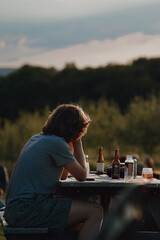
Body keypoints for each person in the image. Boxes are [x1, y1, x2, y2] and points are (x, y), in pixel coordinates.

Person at [4, 104, 103, 240]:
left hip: (16, 209)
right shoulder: (56, 143)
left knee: (76, 213)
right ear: (76, 130)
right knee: (96, 211)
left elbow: (62, 176)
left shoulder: (37, 138)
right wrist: (77, 142)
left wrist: (69, 147)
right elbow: (82, 175)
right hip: (28, 210)